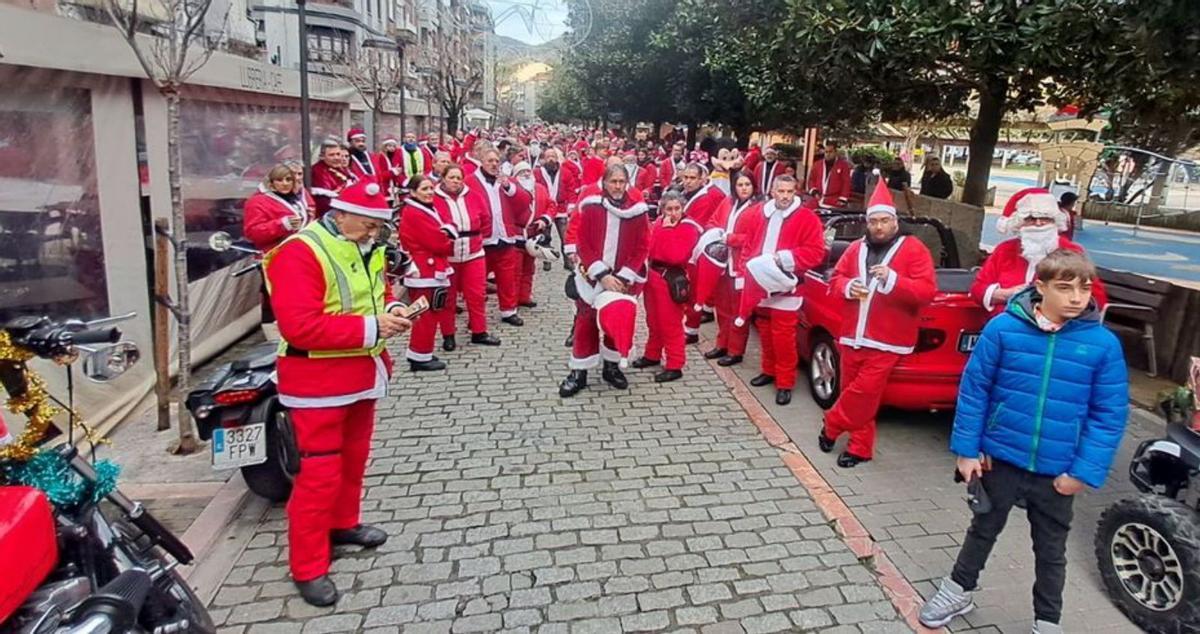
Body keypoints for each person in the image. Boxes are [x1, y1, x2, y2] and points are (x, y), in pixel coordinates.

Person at [918, 249, 1129, 633]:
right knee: (982, 529)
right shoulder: (1003, 329)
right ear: (1040, 287)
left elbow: (1109, 415)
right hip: (1001, 458)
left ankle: (1047, 621)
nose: (1076, 297)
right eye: (1064, 288)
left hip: (1058, 471)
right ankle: (958, 589)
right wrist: (967, 450)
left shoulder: (1102, 344)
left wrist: (1083, 472)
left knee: (1051, 551)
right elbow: (975, 389)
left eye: (1083, 288)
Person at [264, 178, 412, 607]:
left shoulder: (364, 244)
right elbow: (299, 326)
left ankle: (344, 523)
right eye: (366, 225)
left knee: (354, 458)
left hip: (360, 374)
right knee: (319, 474)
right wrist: (373, 328)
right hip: (317, 382)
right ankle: (308, 565)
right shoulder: (300, 252)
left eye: (376, 228)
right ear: (340, 213)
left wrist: (394, 308)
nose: (372, 234)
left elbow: (376, 292)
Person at [820, 180, 937, 467]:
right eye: (874, 221)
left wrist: (894, 280)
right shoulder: (855, 248)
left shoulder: (914, 248)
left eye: (885, 221)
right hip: (851, 335)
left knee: (863, 393)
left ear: (895, 221)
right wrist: (849, 286)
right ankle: (860, 448)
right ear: (867, 223)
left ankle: (832, 425)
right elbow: (834, 280)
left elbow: (926, 292)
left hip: (887, 340)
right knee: (855, 394)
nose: (879, 227)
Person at [560, 164, 650, 398]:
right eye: (614, 182)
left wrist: (623, 276)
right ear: (605, 182)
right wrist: (601, 274)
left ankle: (611, 366)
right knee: (585, 322)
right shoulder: (592, 206)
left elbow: (642, 246)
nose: (618, 186)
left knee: (616, 319)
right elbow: (584, 243)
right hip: (593, 275)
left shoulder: (638, 210)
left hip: (623, 278)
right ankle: (579, 371)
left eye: (622, 182)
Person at [741, 175, 826, 405]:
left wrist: (785, 259)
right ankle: (769, 370)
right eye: (781, 191)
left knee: (783, 338)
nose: (785, 196)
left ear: (795, 192)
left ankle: (785, 382)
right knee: (765, 332)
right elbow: (749, 244)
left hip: (788, 287)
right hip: (761, 284)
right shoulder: (761, 213)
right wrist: (745, 269)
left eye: (790, 192)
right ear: (772, 191)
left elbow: (816, 252)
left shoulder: (807, 218)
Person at [970, 188, 1106, 316]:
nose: (1039, 223)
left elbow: (1096, 299)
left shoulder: (1071, 251)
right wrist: (1005, 294)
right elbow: (978, 290)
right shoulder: (1005, 250)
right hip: (1004, 325)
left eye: (1046, 218)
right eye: (1031, 218)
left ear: (1055, 221)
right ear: (1019, 223)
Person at [632, 192, 701, 382]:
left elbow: (675, 256)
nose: (673, 213)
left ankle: (675, 364)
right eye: (669, 209)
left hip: (671, 278)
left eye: (677, 208)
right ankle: (652, 354)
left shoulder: (688, 228)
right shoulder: (659, 223)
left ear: (682, 208)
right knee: (653, 321)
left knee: (670, 324)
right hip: (653, 276)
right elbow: (650, 248)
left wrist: (667, 231)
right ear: (662, 209)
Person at [433, 164, 500, 349]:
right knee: (448, 298)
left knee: (477, 295)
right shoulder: (434, 199)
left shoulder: (474, 196)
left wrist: (477, 238)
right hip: (448, 255)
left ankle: (479, 331)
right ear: (443, 178)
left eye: (458, 178)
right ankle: (448, 335)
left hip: (474, 253)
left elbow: (486, 219)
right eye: (451, 177)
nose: (455, 181)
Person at [399, 175, 457, 372]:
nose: (430, 192)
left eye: (431, 188)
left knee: (430, 312)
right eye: (424, 189)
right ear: (413, 192)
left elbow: (446, 227)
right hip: (424, 269)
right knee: (425, 314)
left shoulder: (425, 209)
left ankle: (421, 350)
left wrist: (446, 233)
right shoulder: (415, 213)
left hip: (429, 266)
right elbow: (437, 241)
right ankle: (419, 354)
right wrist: (448, 239)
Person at [704, 172, 762, 366]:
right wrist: (716, 233)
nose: (744, 188)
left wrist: (731, 239)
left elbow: (756, 238)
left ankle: (736, 350)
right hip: (721, 263)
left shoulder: (759, 208)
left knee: (738, 310)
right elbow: (712, 221)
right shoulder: (727, 202)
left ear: (754, 186)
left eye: (747, 184)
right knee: (721, 308)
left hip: (741, 266)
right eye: (740, 184)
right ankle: (722, 343)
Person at [475, 148, 533, 326]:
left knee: (507, 278)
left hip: (505, 237)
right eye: (489, 161)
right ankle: (476, 317)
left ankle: (508, 311)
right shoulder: (471, 181)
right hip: (483, 239)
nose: (493, 164)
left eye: (496, 161)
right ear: (481, 162)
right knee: (478, 283)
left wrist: (508, 186)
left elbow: (525, 200)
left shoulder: (506, 180)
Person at [679, 162, 728, 341]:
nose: (688, 182)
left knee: (693, 292)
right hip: (693, 248)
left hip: (697, 250)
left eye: (693, 178)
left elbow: (694, 226)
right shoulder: (692, 193)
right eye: (686, 177)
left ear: (702, 179)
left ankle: (691, 330)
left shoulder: (706, 198)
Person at [513, 161, 554, 308]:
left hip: (533, 233)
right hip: (516, 233)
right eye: (521, 172)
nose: (525, 174)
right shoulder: (512, 190)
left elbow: (551, 204)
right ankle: (512, 300)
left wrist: (545, 219)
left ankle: (525, 296)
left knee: (529, 269)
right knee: (515, 270)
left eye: (527, 171)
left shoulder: (540, 188)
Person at [534, 147, 577, 249]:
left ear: (557, 158)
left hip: (561, 208)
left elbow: (571, 190)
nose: (551, 159)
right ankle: (547, 261)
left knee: (565, 237)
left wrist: (571, 204)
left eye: (553, 156)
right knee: (545, 237)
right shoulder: (537, 173)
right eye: (548, 157)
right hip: (545, 209)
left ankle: (568, 261)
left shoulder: (566, 172)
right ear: (543, 159)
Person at [310, 139, 357, 214]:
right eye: (332, 155)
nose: (336, 158)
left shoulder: (342, 169)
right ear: (322, 156)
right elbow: (324, 201)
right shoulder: (317, 171)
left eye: (338, 154)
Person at [807, 140, 853, 207]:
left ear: (835, 152)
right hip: (818, 199)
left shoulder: (843, 165)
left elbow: (846, 183)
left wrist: (842, 199)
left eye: (830, 152)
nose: (828, 154)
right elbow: (811, 180)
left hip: (834, 200)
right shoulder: (817, 165)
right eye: (826, 152)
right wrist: (814, 192)